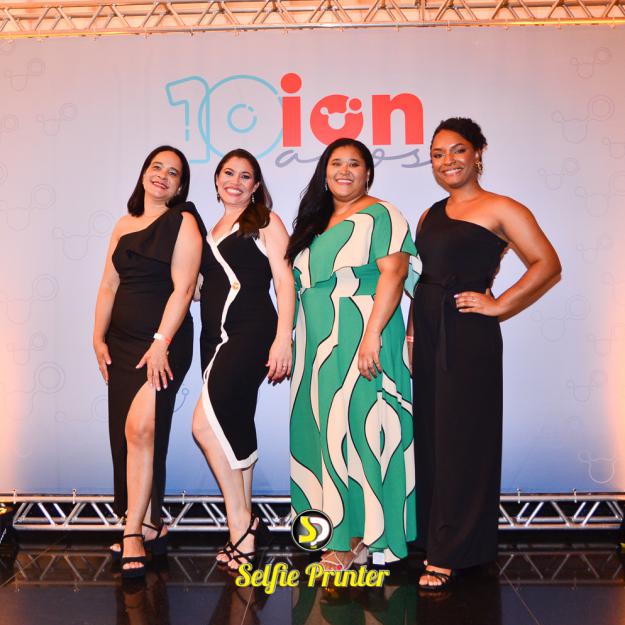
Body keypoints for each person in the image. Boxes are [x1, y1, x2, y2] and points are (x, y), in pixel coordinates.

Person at [409, 118, 561, 590]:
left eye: (457, 150)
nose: (447, 161)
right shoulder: (430, 213)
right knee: (431, 436)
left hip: (468, 334)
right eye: (437, 154)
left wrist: (499, 304)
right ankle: (435, 539)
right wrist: (411, 334)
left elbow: (547, 264)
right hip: (428, 332)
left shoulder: (502, 207)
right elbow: (425, 277)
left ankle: (451, 550)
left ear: (478, 153)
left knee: (462, 438)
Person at [287, 138, 419, 570]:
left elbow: (394, 274)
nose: (344, 171)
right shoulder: (315, 221)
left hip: (362, 334)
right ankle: (336, 530)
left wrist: (372, 334)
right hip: (317, 345)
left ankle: (359, 538)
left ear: (368, 173)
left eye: (354, 164)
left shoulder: (382, 214)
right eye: (336, 163)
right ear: (324, 172)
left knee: (361, 433)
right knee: (325, 434)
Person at [93, 146, 203, 578]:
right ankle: (151, 523)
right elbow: (108, 285)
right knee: (127, 434)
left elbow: (184, 287)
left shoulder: (184, 221)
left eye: (173, 172)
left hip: (163, 342)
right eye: (157, 167)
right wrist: (97, 336)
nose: (162, 175)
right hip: (121, 343)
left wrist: (161, 342)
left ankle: (133, 532)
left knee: (141, 429)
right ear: (143, 174)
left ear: (180, 186)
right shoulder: (124, 224)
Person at [191, 149, 295, 570]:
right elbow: (201, 289)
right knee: (233, 428)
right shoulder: (206, 232)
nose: (235, 181)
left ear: (256, 186)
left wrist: (283, 339)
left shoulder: (265, 221)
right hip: (213, 338)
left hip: (251, 333)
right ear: (217, 180)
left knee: (203, 426)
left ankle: (243, 526)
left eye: (245, 175)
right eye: (228, 173)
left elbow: (285, 282)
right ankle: (245, 530)